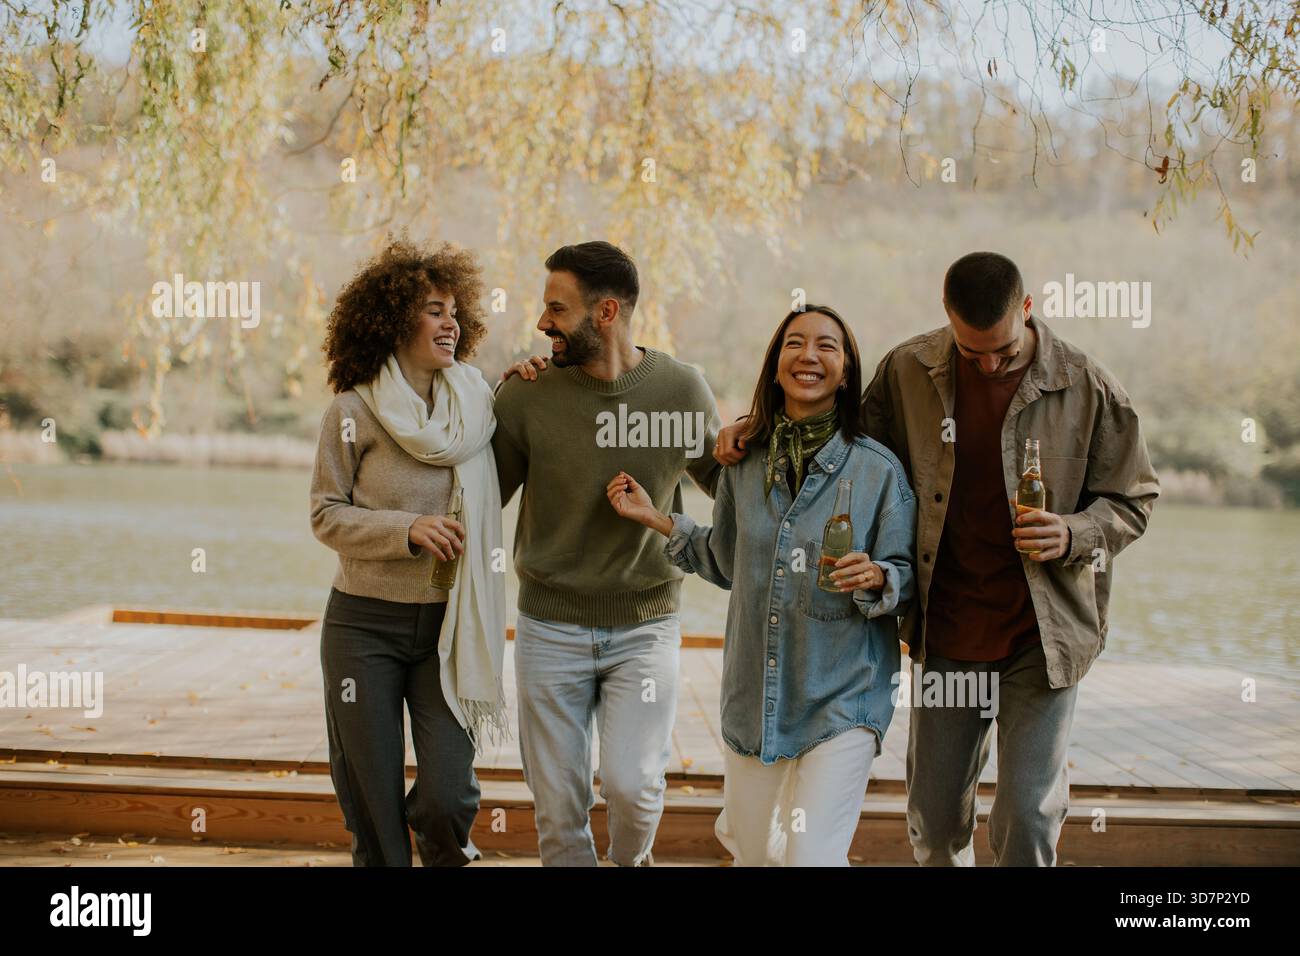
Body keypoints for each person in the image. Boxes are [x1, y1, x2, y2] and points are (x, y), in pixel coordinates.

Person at [716, 252, 1159, 866]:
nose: (986, 364)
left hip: (1043, 633)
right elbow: (842, 447)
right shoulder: (909, 370)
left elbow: (1133, 498)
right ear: (947, 319)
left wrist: (1076, 532)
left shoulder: (1084, 384)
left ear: (1027, 311)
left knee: (1028, 817)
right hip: (948, 631)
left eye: (1001, 352)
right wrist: (753, 429)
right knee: (934, 821)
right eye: (971, 350)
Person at [606, 305, 916, 866]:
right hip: (758, 698)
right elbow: (726, 561)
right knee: (751, 850)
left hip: (843, 694)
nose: (810, 356)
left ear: (846, 372)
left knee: (811, 857)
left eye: (828, 346)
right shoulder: (744, 464)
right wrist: (659, 519)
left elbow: (909, 575)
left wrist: (879, 576)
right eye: (795, 344)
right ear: (776, 366)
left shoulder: (879, 471)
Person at [492, 240, 722, 866]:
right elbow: (479, 496)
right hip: (549, 628)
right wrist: (479, 395)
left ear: (607, 312)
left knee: (634, 787)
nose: (542, 324)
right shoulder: (526, 396)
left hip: (645, 628)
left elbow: (732, 495)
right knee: (558, 809)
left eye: (557, 309)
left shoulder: (682, 391)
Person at [310, 238, 509, 867]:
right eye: (433, 309)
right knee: (372, 798)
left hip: (449, 629)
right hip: (363, 625)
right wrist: (407, 529)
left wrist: (529, 379)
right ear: (395, 320)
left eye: (455, 310)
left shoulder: (477, 406)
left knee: (449, 795)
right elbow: (324, 512)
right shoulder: (352, 412)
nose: (450, 322)